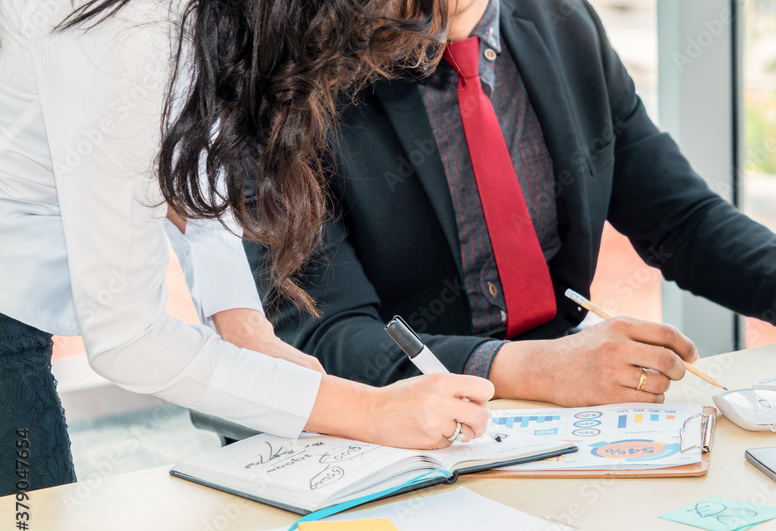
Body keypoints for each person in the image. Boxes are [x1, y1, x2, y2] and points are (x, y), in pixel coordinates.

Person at [247, 0, 776, 406]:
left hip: (569, 431)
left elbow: (681, 220)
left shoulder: (562, 25)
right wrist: (527, 369)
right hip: (389, 436)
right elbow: (327, 339)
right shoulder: (288, 76)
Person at [0, 0, 493, 495]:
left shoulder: (198, 22)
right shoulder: (133, 35)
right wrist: (369, 411)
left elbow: (188, 162)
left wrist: (242, 325)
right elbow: (128, 339)